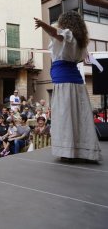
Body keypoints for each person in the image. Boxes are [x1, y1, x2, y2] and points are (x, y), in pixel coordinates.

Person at [35, 12, 102, 162]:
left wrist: (42, 24)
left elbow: (56, 34)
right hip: (75, 82)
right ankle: (85, 150)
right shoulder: (80, 41)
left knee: (66, 116)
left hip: (65, 82)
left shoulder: (68, 35)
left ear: (65, 22)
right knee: (80, 115)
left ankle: (69, 151)